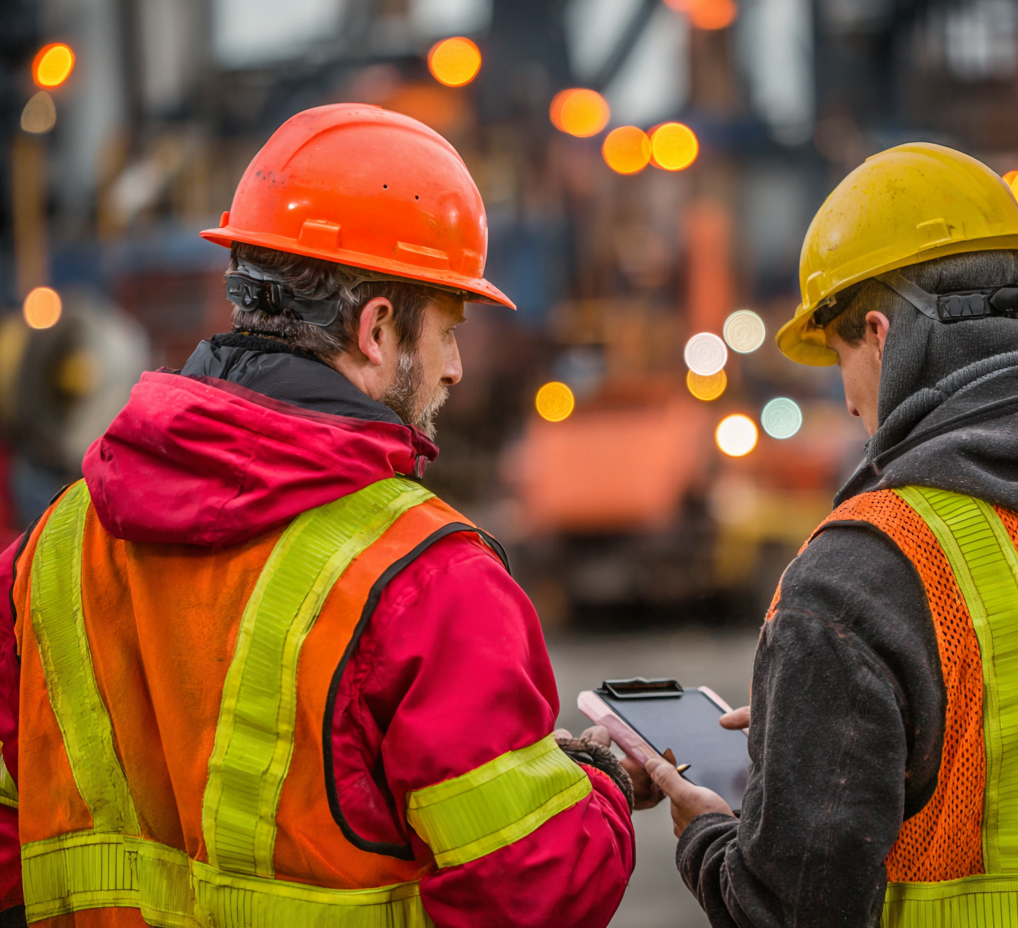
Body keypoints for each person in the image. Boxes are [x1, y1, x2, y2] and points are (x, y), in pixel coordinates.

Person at [0, 104, 634, 928]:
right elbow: (528, 892)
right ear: (377, 330)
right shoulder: (429, 580)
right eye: (448, 329)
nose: (455, 368)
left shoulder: (53, 546)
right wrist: (608, 792)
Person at [632, 143, 1018, 927]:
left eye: (839, 360)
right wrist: (838, 709)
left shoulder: (863, 570)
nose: (848, 404)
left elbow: (788, 911)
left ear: (880, 335)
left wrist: (708, 835)